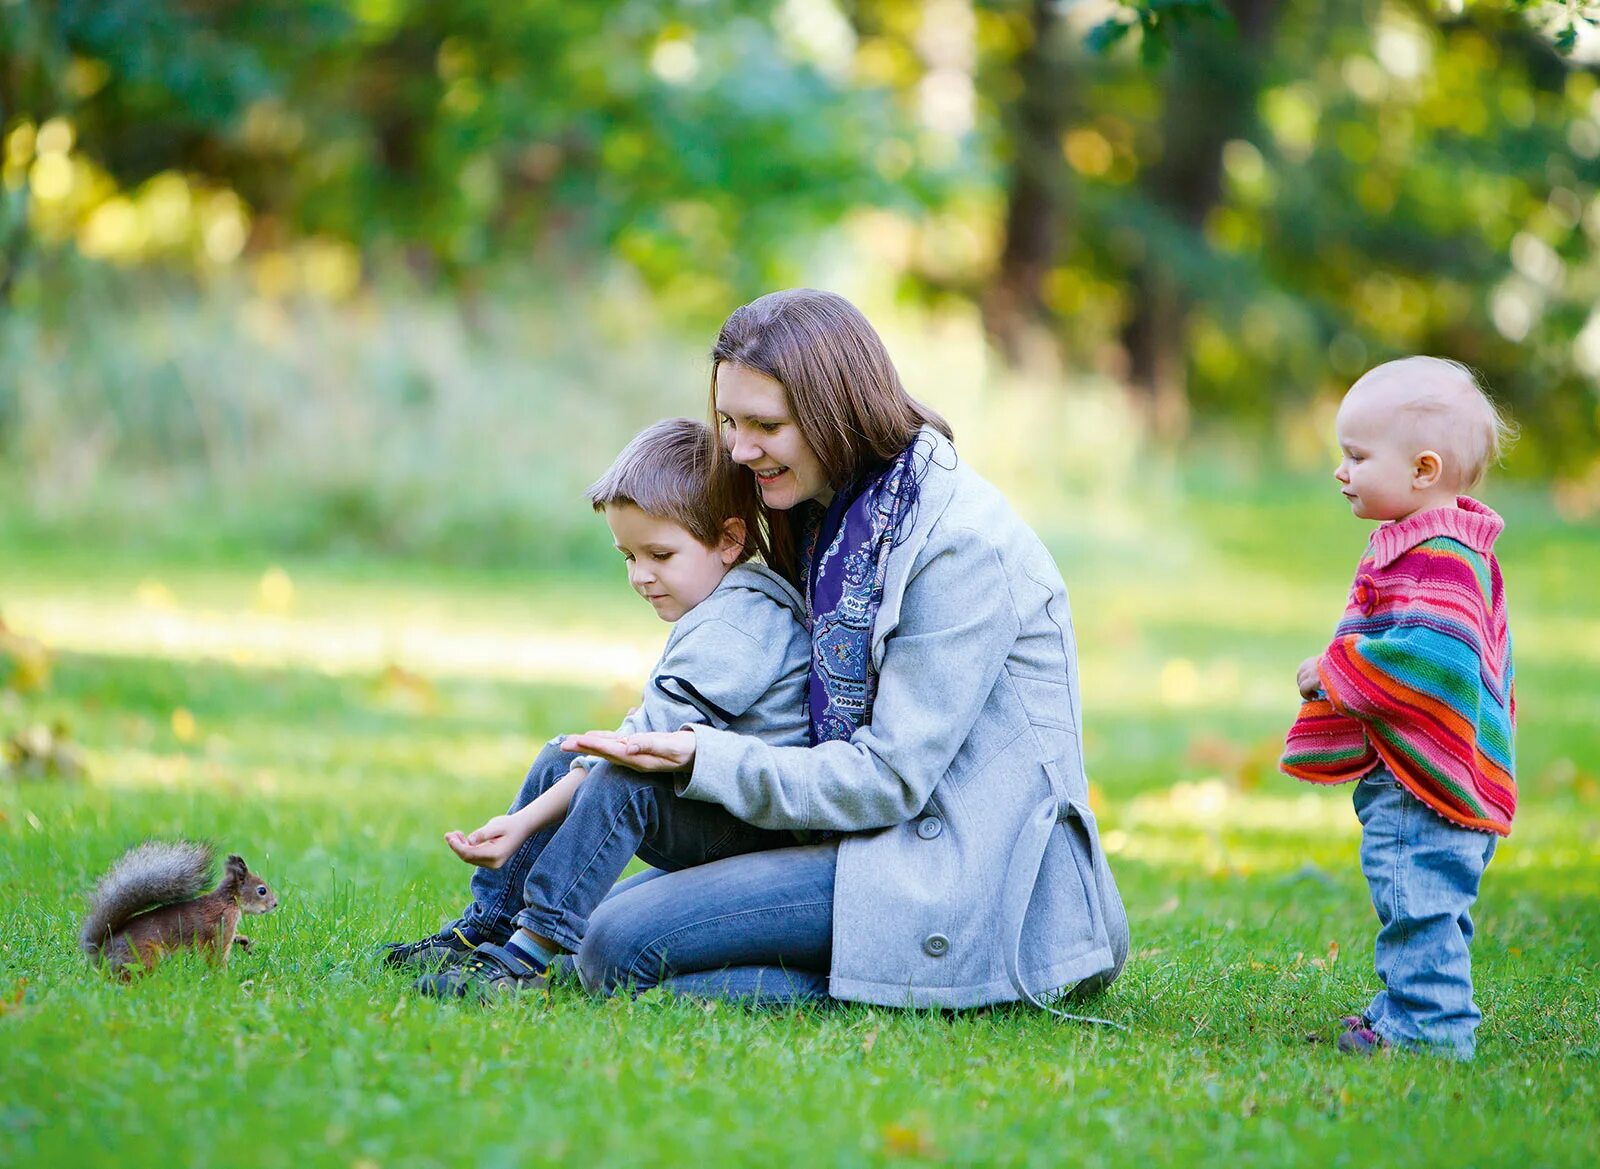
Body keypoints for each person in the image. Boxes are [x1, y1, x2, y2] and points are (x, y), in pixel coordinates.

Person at [563, 288, 1129, 1013]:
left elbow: (890, 778)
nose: (738, 449)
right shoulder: (835, 514)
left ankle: (879, 985)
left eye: (766, 424)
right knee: (597, 934)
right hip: (851, 840)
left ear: (837, 409)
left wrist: (704, 755)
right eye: (730, 421)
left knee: (619, 948)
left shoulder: (960, 546)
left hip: (951, 870)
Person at [381, 417, 812, 1001]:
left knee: (619, 782)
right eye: (628, 557)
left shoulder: (743, 622)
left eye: (659, 554)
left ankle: (526, 957)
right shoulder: (720, 606)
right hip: (713, 803)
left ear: (729, 541)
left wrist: (526, 822)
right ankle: (486, 927)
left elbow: (640, 747)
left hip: (757, 828)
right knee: (565, 756)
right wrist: (531, 813)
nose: (641, 576)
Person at [1281, 356, 1517, 1060]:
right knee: (1410, 894)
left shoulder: (1442, 556)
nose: (1341, 470)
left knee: (1419, 902)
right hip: (1411, 777)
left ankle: (1432, 1030)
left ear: (1422, 469)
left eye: (1356, 455)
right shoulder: (1428, 545)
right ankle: (1405, 1007)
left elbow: (1431, 658)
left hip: (1427, 787)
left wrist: (1334, 668)